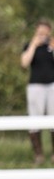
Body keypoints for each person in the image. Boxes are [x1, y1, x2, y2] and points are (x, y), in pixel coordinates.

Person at [21, 19, 54, 164]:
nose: (42, 33)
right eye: (40, 30)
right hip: (35, 86)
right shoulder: (29, 45)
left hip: (52, 86)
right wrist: (34, 45)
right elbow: (24, 63)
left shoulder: (51, 46)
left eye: (44, 30)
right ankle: (38, 155)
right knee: (35, 120)